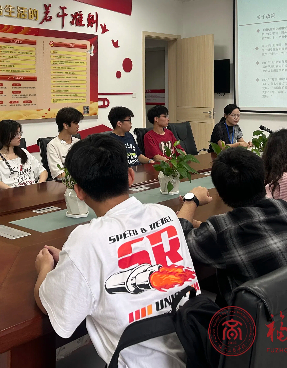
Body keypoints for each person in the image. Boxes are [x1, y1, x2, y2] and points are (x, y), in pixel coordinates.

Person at [35, 135, 203, 368]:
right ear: (130, 176)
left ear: (79, 191)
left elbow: (49, 305)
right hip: (197, 353)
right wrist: (72, 260)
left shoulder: (86, 240)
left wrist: (45, 267)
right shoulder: (164, 214)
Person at [178, 147, 287, 305]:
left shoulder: (220, 231)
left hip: (253, 317)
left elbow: (176, 244)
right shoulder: (284, 208)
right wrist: (202, 227)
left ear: (219, 193)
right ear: (263, 179)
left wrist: (191, 200)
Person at [0, 120, 47, 189]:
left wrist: (40, 185)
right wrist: (12, 190)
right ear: (6, 135)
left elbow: (43, 171)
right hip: (12, 193)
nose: (19, 137)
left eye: (20, 133)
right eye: (16, 134)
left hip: (32, 191)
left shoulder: (24, 152)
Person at [47, 107, 83, 179]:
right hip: (65, 183)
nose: (78, 126)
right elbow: (59, 174)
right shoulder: (53, 145)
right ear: (66, 125)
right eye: (75, 123)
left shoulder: (78, 142)